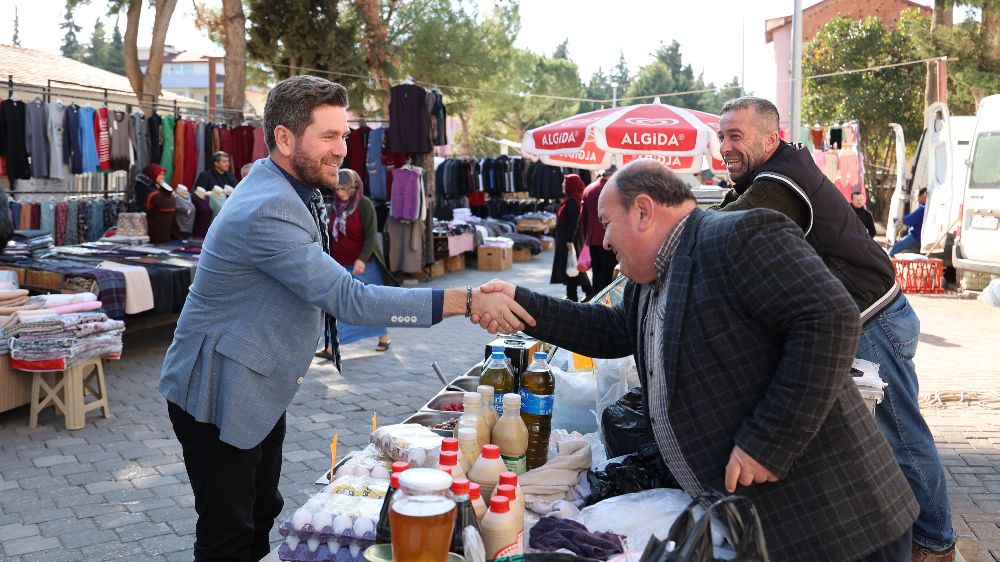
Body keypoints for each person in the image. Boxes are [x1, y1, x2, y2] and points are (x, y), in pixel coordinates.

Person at [158, 75, 534, 562]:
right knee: (227, 534)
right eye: (329, 137)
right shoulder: (269, 206)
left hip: (256, 383)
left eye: (345, 135)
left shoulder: (290, 186)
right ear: (285, 138)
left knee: (262, 509)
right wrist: (464, 300)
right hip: (218, 390)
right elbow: (349, 299)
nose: (343, 150)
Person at [476, 160, 918, 562]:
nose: (605, 239)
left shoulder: (738, 236)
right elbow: (609, 331)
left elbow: (830, 318)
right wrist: (520, 304)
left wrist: (768, 440)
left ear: (644, 212)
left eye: (609, 224)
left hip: (839, 523)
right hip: (770, 527)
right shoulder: (649, 280)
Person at [713, 97, 955, 561]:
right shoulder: (769, 173)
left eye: (735, 136)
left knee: (903, 438)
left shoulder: (780, 181)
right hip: (856, 318)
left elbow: (728, 229)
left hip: (873, 319)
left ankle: (937, 543)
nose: (725, 146)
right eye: (722, 136)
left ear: (771, 138)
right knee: (882, 439)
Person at [316, 168, 393, 357]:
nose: (340, 193)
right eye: (337, 189)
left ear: (354, 187)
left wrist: (362, 259)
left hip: (363, 266)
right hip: (340, 265)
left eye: (344, 189)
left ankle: (384, 337)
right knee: (340, 306)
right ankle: (332, 346)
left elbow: (370, 237)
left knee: (372, 304)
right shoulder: (335, 206)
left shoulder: (364, 205)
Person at [551, 173, 593, 302]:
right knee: (572, 266)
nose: (563, 185)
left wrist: (570, 240)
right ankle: (576, 293)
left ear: (571, 185)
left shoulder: (572, 202)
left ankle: (577, 294)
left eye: (565, 182)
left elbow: (573, 223)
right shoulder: (572, 200)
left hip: (571, 240)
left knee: (573, 266)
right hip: (570, 240)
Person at [581, 166, 619, 293]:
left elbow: (583, 217)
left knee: (596, 270)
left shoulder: (588, 189)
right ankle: (603, 299)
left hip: (592, 237)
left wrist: (586, 236)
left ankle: (595, 296)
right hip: (609, 237)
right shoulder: (614, 189)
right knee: (607, 272)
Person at [890, 188, 927, 256]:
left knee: (894, 248)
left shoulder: (923, 208)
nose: (917, 198)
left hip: (915, 237)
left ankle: (887, 259)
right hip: (919, 237)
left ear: (923, 196)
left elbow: (910, 219)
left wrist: (901, 221)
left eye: (918, 196)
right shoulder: (927, 208)